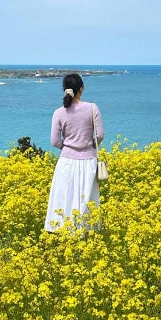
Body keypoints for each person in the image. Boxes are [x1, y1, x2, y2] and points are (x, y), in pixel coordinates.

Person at [44, 73, 105, 232]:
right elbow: (100, 135)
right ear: (81, 89)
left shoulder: (59, 112)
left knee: (65, 197)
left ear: (65, 89)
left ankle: (62, 229)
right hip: (88, 161)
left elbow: (55, 141)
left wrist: (69, 146)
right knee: (87, 198)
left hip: (66, 162)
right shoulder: (93, 108)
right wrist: (89, 144)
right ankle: (86, 232)